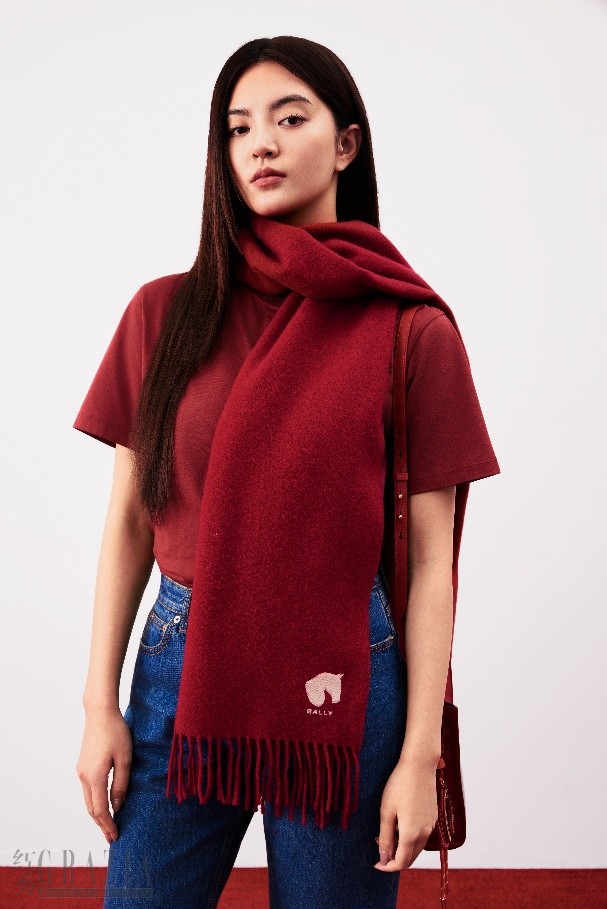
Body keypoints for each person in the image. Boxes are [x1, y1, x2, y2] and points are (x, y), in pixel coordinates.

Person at [73, 35, 500, 909]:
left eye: (288, 118)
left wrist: (418, 755)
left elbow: (430, 564)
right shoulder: (165, 313)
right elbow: (128, 521)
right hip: (182, 663)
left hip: (340, 675)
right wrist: (99, 706)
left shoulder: (410, 331)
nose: (259, 144)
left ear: (345, 144)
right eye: (237, 128)